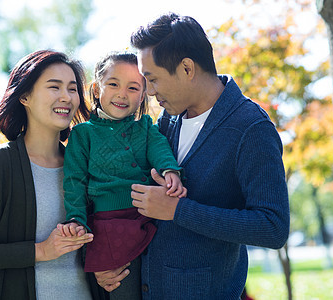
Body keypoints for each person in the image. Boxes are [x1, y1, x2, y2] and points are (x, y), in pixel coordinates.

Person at [94, 13, 290, 299]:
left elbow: (273, 227)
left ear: (187, 68)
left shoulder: (251, 128)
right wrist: (106, 259)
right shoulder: (167, 120)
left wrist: (178, 211)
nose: (148, 92)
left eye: (153, 79)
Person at [0, 50, 96, 300]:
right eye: (54, 87)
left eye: (72, 89)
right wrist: (41, 251)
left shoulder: (88, 165)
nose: (66, 97)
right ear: (25, 96)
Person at [60, 52, 186, 300]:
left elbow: (160, 149)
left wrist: (170, 171)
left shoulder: (146, 128)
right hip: (109, 226)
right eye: (114, 84)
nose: (122, 93)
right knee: (122, 287)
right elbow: (74, 182)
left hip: (150, 218)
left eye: (133, 87)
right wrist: (76, 218)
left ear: (142, 94)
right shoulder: (83, 134)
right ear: (96, 89)